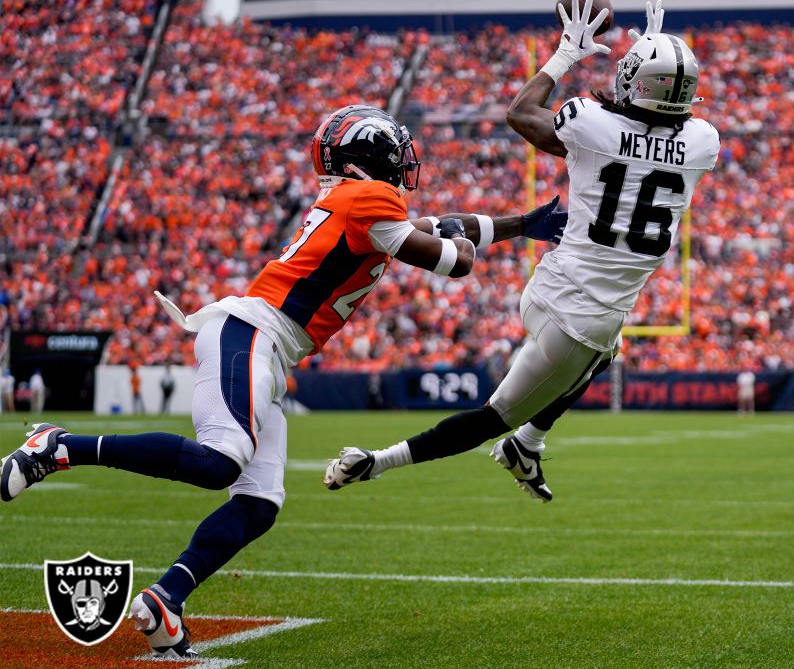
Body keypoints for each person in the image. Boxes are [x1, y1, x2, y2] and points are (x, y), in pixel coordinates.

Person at [0, 104, 567, 657]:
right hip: (252, 332)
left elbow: (441, 224)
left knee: (259, 501)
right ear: (373, 157)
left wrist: (523, 226)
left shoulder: (357, 201)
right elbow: (452, 257)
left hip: (267, 345)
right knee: (220, 461)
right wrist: (465, 248)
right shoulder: (370, 198)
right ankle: (61, 446)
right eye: (397, 155)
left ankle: (167, 598)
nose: (405, 165)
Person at [324, 0, 720, 503]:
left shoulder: (590, 124)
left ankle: (528, 444)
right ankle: (377, 462)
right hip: (579, 321)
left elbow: (523, 114)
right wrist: (657, 59)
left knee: (608, 349)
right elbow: (657, 129)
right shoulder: (703, 144)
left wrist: (565, 56)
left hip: (549, 287)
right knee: (495, 417)